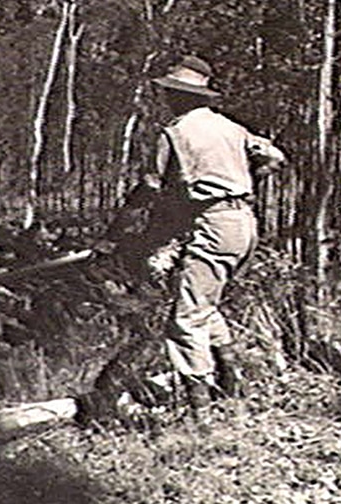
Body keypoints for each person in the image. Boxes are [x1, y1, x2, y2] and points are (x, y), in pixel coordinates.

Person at [142, 56, 286, 420]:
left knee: (186, 319)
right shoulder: (231, 128)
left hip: (214, 223)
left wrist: (120, 236)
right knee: (206, 305)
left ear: (182, 97)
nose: (167, 99)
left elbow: (150, 187)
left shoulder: (175, 132)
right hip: (244, 223)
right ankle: (233, 384)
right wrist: (243, 181)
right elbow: (275, 157)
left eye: (171, 93)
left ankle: (201, 414)